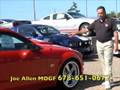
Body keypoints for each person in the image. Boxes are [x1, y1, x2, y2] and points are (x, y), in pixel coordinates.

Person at [70, 6, 118, 89]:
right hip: (99, 44)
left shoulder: (111, 21)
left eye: (101, 13)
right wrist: (76, 33)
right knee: (103, 63)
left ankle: (107, 81)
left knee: (108, 63)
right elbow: (86, 29)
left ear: (105, 12)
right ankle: (109, 79)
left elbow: (116, 33)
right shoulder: (96, 22)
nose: (100, 15)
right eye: (98, 13)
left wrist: (116, 45)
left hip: (108, 44)